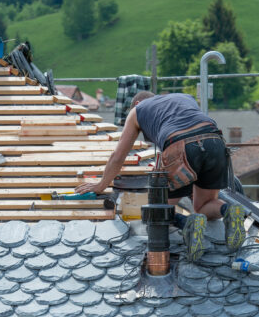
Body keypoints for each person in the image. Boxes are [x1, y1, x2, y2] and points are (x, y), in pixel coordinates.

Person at [75, 91, 245, 261]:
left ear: (137, 103)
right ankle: (228, 209)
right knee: (204, 205)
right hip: (215, 141)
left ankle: (188, 224)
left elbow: (118, 156)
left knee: (158, 211)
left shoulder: (137, 111)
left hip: (181, 147)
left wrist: (101, 185)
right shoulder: (183, 97)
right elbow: (194, 133)